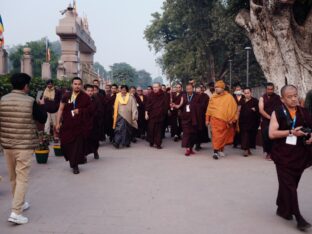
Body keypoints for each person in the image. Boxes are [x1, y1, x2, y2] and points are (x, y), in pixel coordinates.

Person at [0, 73, 47, 224]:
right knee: (22, 178)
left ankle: (19, 203)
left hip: (7, 144)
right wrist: (40, 106)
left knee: (13, 177)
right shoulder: (30, 101)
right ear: (26, 86)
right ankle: (16, 212)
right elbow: (42, 118)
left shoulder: (3, 99)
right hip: (24, 145)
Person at [269, 85, 312, 231]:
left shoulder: (304, 112)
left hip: (300, 155)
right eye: (289, 96)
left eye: (295, 95)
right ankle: (299, 218)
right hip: (282, 155)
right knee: (290, 187)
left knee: (291, 184)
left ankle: (282, 209)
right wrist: (291, 132)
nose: (294, 99)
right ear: (282, 99)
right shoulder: (278, 112)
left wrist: (310, 136)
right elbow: (272, 134)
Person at [56, 77, 91, 174]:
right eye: (75, 84)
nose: (77, 86)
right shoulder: (66, 96)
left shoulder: (85, 97)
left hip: (79, 126)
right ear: (72, 85)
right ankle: (73, 160)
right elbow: (60, 109)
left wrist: (80, 110)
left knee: (77, 146)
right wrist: (57, 123)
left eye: (79, 84)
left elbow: (90, 110)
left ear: (82, 85)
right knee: (66, 145)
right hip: (67, 125)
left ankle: (75, 165)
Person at [206, 80, 238, 159]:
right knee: (216, 137)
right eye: (215, 87)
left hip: (225, 121)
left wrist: (232, 119)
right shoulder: (213, 97)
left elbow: (234, 109)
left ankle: (220, 150)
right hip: (214, 120)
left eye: (218, 87)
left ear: (223, 88)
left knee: (223, 137)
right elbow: (209, 109)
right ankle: (215, 152)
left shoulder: (229, 97)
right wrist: (207, 119)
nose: (216, 89)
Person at [259, 82, 282, 160]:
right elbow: (261, 110)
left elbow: (280, 108)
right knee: (266, 137)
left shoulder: (277, 97)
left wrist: (276, 118)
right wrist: (269, 117)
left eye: (271, 89)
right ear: (266, 89)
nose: (270, 91)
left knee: (275, 137)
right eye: (268, 89)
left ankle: (274, 153)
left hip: (276, 120)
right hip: (266, 120)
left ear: (273, 89)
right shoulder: (262, 98)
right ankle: (268, 153)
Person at [178, 84, 202, 156]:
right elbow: (180, 105)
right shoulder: (184, 96)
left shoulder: (197, 96)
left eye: (190, 89)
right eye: (187, 89)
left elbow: (200, 107)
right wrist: (175, 105)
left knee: (193, 134)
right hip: (185, 118)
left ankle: (191, 148)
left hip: (194, 118)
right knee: (186, 134)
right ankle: (187, 149)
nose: (188, 90)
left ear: (193, 89)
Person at [84, 85, 104, 159]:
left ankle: (95, 151)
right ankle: (84, 155)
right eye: (88, 91)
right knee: (85, 140)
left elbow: (100, 110)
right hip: (85, 123)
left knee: (95, 139)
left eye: (91, 91)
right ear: (85, 91)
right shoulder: (82, 100)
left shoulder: (96, 99)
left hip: (94, 123)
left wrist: (95, 116)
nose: (90, 92)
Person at [145, 83, 168, 149]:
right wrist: (146, 113)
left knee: (159, 130)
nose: (155, 88)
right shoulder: (150, 95)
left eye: (156, 87)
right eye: (154, 87)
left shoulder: (163, 95)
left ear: (159, 87)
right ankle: (151, 141)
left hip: (160, 115)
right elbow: (147, 105)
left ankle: (158, 143)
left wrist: (164, 112)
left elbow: (165, 104)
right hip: (152, 115)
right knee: (151, 129)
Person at [239, 87, 260, 156]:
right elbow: (238, 110)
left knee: (251, 136)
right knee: (245, 135)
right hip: (243, 122)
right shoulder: (241, 101)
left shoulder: (255, 101)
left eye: (248, 93)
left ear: (251, 93)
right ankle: (245, 149)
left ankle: (248, 149)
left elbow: (259, 109)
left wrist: (255, 109)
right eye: (245, 93)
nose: (246, 94)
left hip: (252, 122)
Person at [195, 85, 210, 151]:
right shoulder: (194, 96)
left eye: (200, 90)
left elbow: (207, 105)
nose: (199, 92)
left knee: (201, 130)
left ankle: (199, 143)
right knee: (196, 130)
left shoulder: (205, 96)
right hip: (195, 116)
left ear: (202, 90)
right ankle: (197, 144)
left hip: (202, 115)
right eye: (197, 91)